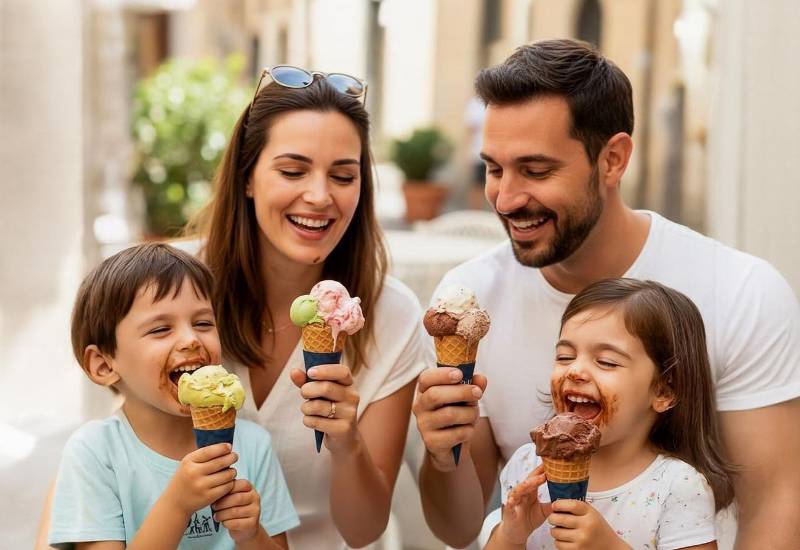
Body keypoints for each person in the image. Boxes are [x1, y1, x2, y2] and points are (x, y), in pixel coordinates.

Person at [413, 39, 800, 548]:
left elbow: (773, 505)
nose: (505, 199)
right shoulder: (468, 301)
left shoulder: (743, 291)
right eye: (493, 169)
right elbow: (458, 528)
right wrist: (443, 456)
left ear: (613, 160)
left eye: (536, 170)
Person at [188, 66, 427, 548]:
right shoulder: (173, 291)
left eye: (343, 176)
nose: (319, 196)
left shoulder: (391, 314)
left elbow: (363, 530)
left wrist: (347, 443)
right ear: (247, 177)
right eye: (293, 171)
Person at [48, 243, 298, 549]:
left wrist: (252, 534)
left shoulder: (253, 444)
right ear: (104, 365)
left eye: (203, 323)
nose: (191, 339)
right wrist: (177, 505)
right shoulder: (95, 453)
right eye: (160, 329)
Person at [485, 278, 733, 549]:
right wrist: (509, 536)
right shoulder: (527, 465)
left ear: (663, 391)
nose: (575, 371)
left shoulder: (679, 486)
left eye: (606, 362)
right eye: (565, 356)